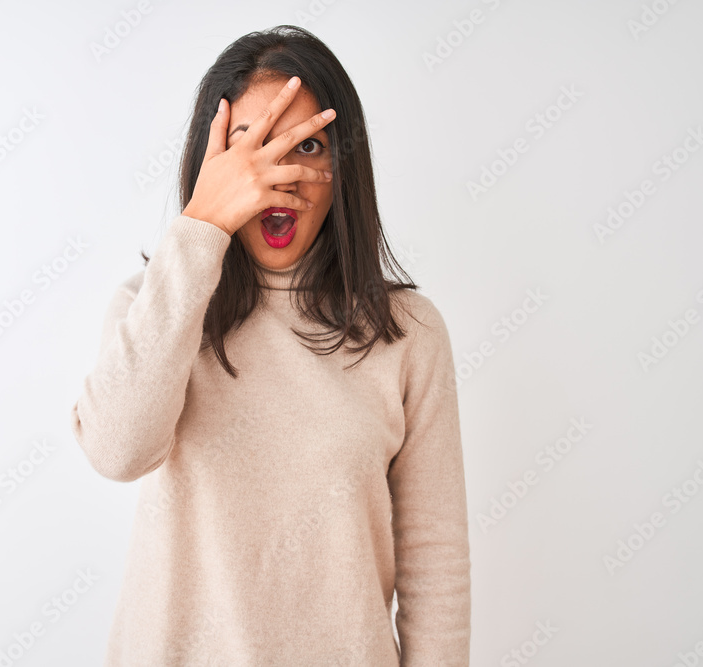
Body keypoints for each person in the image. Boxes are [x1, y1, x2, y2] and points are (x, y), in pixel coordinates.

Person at [70, 24, 471, 666]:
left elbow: (435, 562)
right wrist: (201, 228)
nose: (277, 176)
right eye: (248, 146)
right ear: (210, 167)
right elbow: (116, 452)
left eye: (306, 144)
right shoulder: (154, 307)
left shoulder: (408, 333)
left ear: (343, 167)